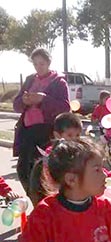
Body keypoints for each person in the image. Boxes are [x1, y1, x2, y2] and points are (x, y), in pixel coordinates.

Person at [29, 112, 111, 206]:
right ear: (57, 135)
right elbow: (48, 182)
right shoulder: (54, 156)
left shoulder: (80, 153)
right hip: (61, 201)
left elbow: (94, 167)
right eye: (69, 135)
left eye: (77, 135)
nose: (74, 139)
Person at [13, 48, 70, 195]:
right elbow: (16, 105)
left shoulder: (58, 82)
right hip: (27, 130)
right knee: (23, 169)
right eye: (36, 64)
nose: (39, 67)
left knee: (41, 172)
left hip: (45, 132)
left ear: (48, 63)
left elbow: (65, 107)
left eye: (42, 64)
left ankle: (44, 203)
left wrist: (43, 99)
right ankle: (35, 201)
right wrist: (24, 101)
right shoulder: (30, 80)